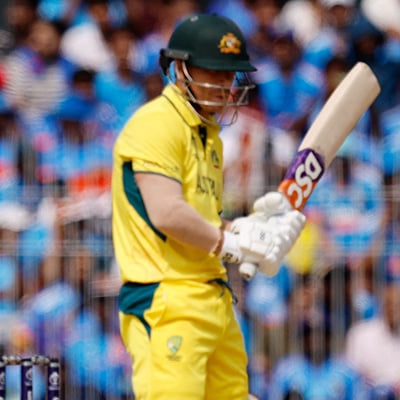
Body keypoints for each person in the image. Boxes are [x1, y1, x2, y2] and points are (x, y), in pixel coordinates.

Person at [111, 13, 306, 399]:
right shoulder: (155, 124)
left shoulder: (209, 137)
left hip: (214, 299)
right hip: (167, 301)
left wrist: (248, 229)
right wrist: (230, 243)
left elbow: (201, 221)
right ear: (180, 69)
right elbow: (167, 213)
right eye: (213, 71)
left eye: (230, 73)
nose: (223, 84)